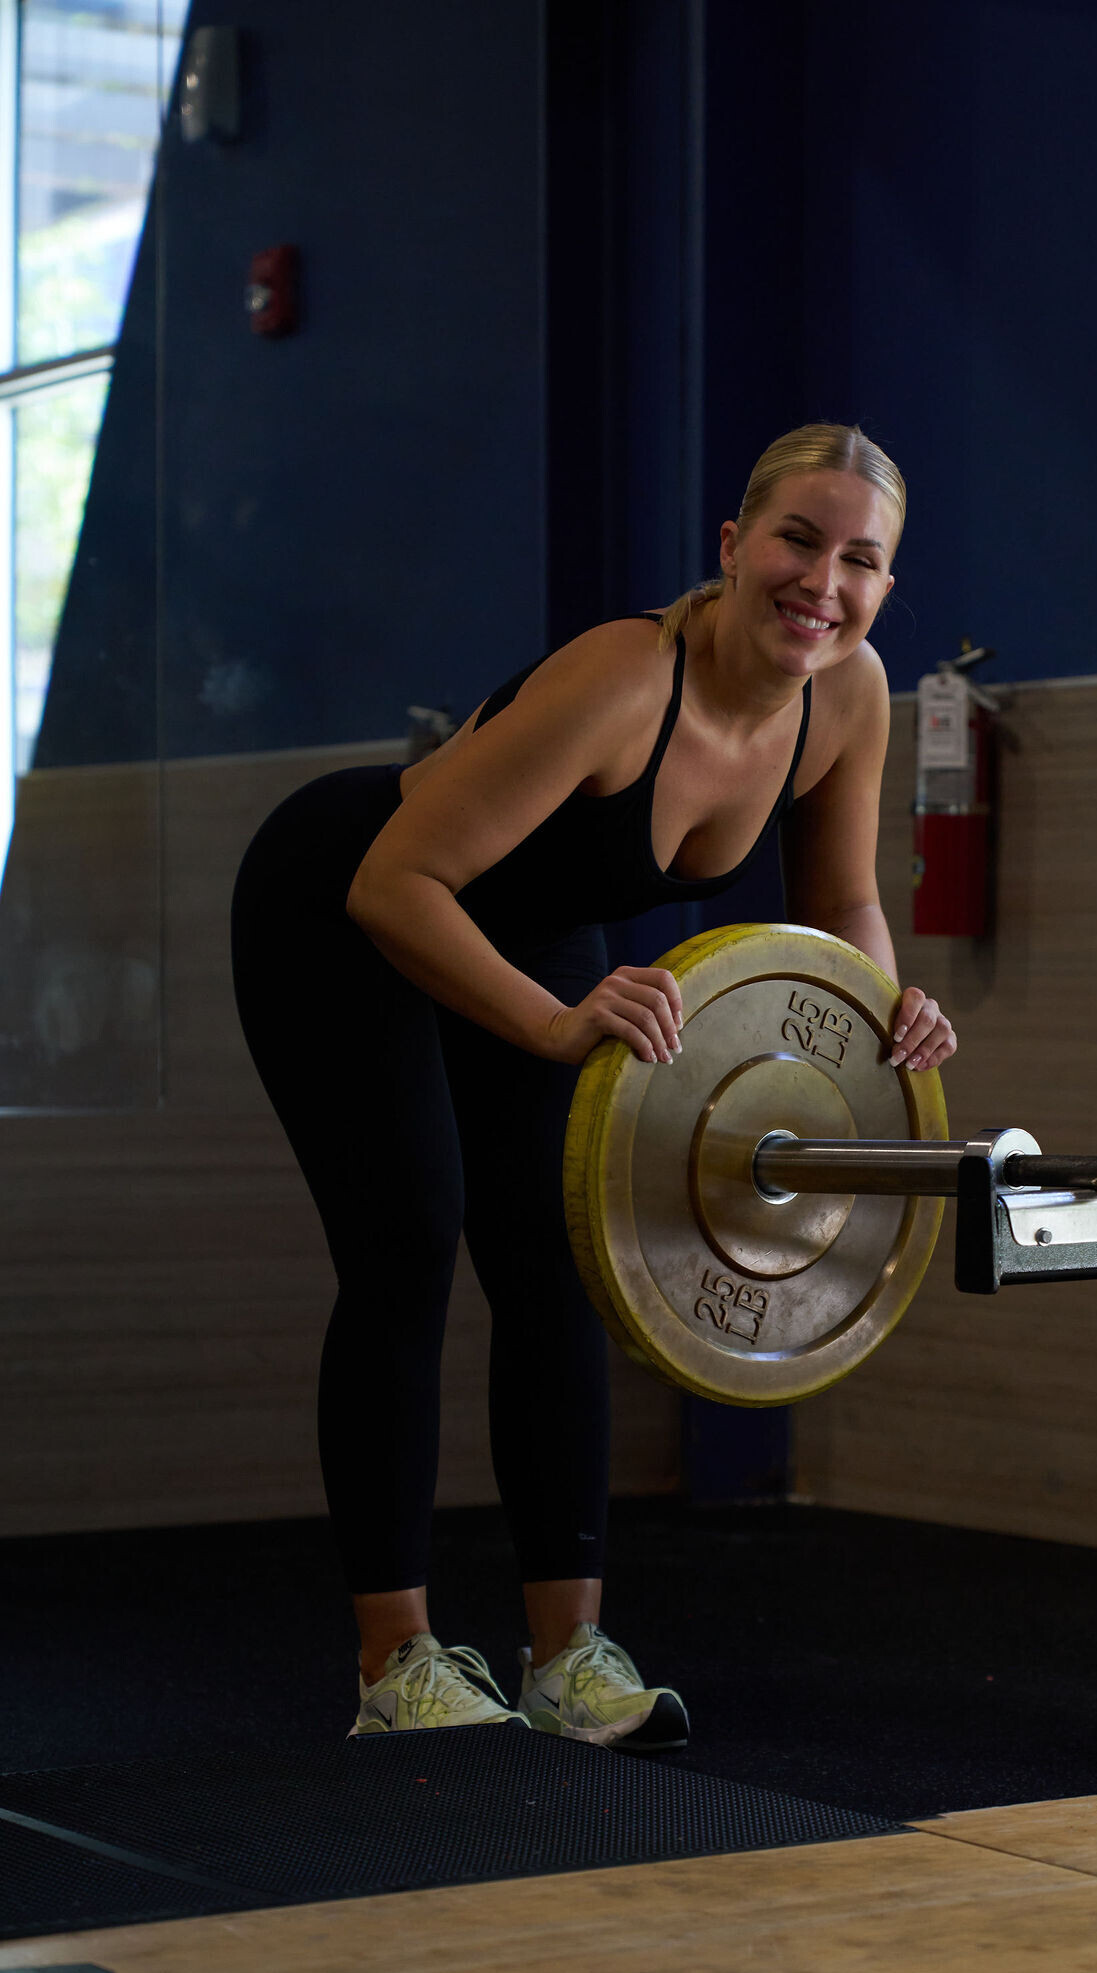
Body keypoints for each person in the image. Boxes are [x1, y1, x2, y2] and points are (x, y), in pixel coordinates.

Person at [231, 421, 957, 1746]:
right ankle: (395, 1667)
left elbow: (844, 902)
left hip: (537, 928)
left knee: (561, 1250)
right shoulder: (627, 680)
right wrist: (559, 1025)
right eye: (797, 541)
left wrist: (881, 1015)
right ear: (734, 546)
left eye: (859, 560)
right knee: (408, 1243)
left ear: (885, 586)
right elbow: (397, 884)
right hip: (353, 901)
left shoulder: (849, 694)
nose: (822, 582)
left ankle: (568, 1660)